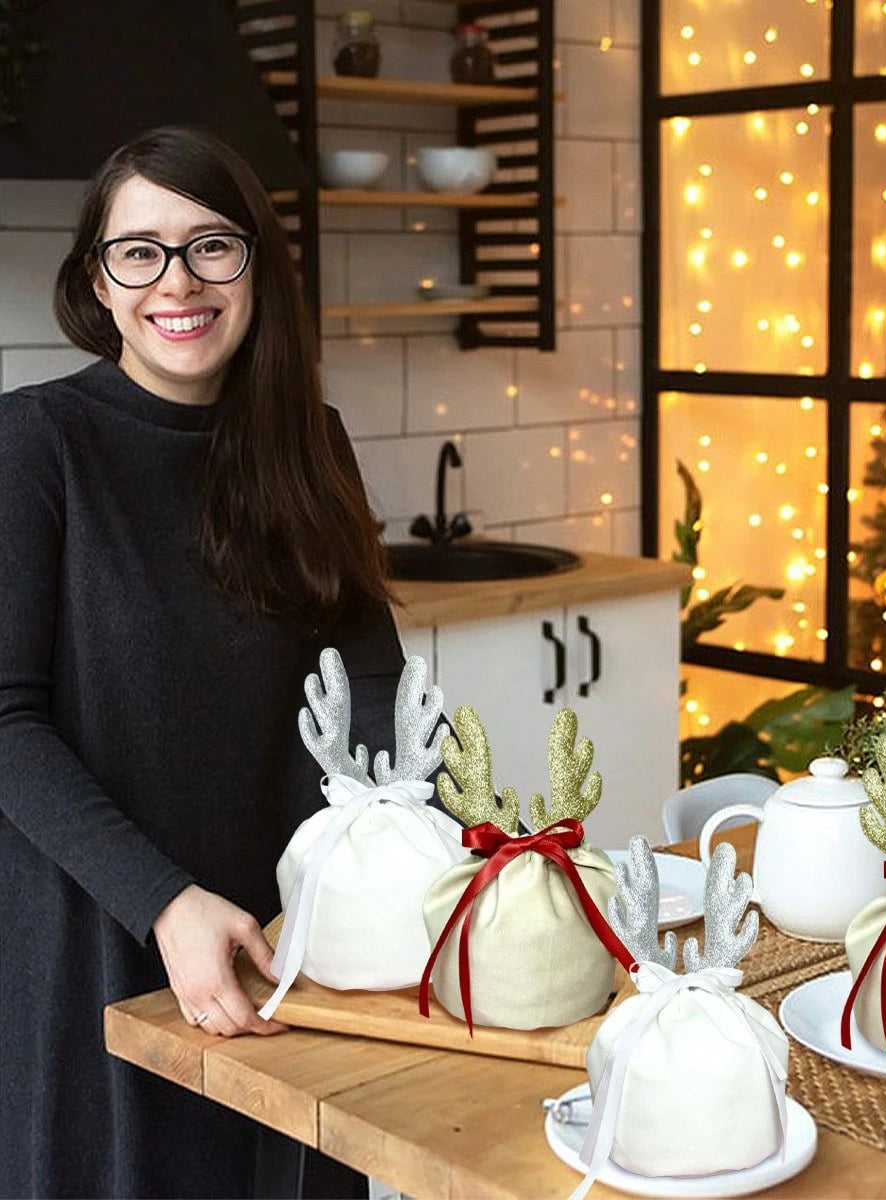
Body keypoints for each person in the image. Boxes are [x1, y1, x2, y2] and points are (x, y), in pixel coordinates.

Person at [0, 125, 429, 1198]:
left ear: (257, 267)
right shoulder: (35, 444)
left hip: (294, 940)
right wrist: (164, 903)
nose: (177, 281)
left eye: (210, 246)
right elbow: (5, 722)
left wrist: (400, 863)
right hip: (103, 934)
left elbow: (371, 683)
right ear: (98, 283)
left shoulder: (310, 441)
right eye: (139, 251)